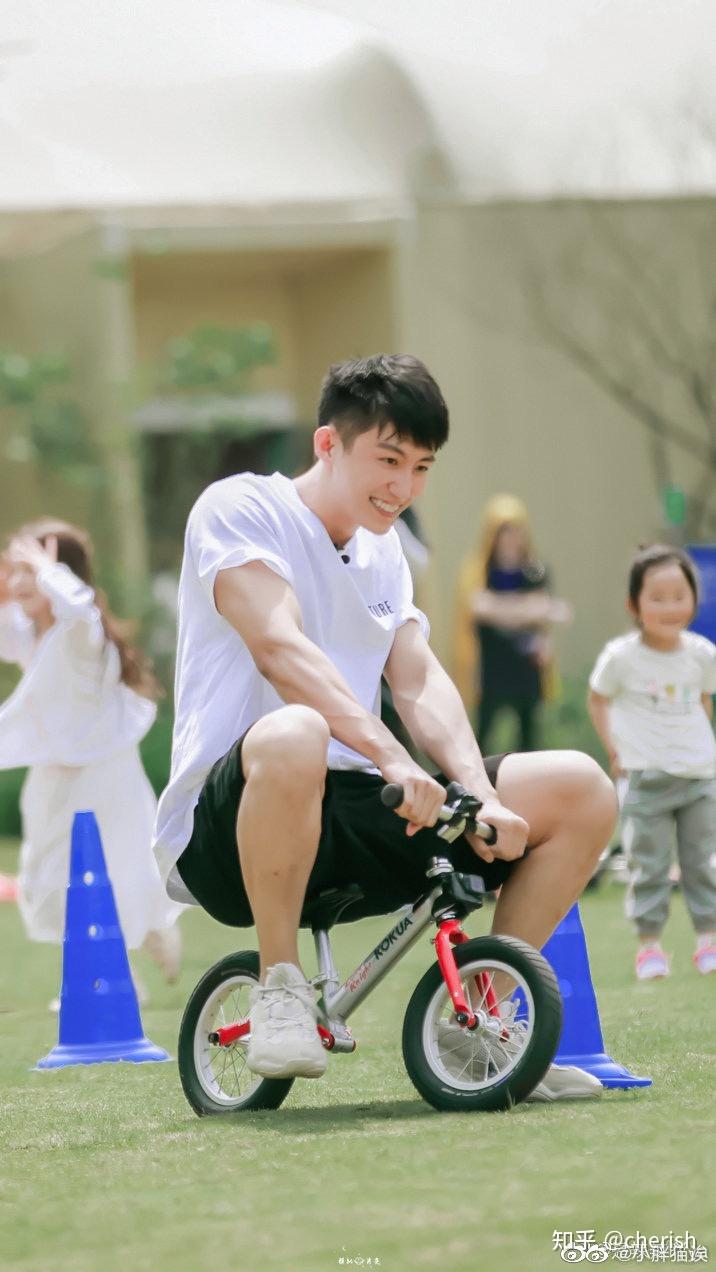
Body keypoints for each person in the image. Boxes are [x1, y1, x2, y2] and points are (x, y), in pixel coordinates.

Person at [154, 355, 616, 1099]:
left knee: (580, 787)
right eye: (389, 459)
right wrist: (393, 757)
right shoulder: (238, 508)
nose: (403, 487)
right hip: (230, 826)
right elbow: (280, 649)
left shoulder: (385, 553)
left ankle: (476, 1032)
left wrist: (474, 790)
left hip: (362, 808)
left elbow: (418, 677)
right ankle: (279, 988)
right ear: (327, 444)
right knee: (296, 730)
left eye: (423, 467)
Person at [0, 519, 183, 1001]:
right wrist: (8, 592)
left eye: (29, 571)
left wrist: (46, 571)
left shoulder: (82, 634)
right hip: (54, 776)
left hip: (105, 775)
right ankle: (144, 938)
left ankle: (105, 975)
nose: (19, 581)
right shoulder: (34, 634)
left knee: (110, 872)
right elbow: (5, 635)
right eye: (14, 570)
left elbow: (78, 607)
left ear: (60, 574)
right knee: (44, 876)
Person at [588, 544, 716, 980]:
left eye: (679, 596)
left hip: (699, 776)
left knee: (702, 861)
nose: (670, 607)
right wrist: (615, 751)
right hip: (646, 777)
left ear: (694, 600)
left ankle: (708, 940)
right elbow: (598, 699)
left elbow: (703, 702)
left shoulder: (701, 654)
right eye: (657, 597)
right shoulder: (621, 658)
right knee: (650, 864)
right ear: (633, 604)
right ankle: (650, 947)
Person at [454, 495, 572, 752]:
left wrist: (501, 608)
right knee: (483, 735)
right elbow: (477, 606)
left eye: (515, 531)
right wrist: (530, 609)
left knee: (528, 736)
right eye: (503, 531)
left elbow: (550, 615)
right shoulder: (479, 570)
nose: (510, 538)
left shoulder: (535, 570)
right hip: (492, 666)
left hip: (526, 666)